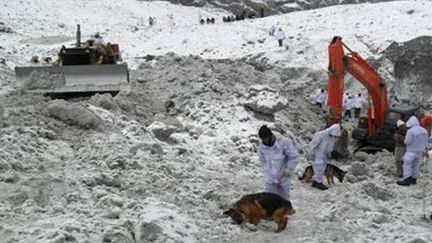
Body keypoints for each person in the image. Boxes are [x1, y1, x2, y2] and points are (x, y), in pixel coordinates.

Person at [257, 125, 299, 200]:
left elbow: (294, 156)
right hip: (270, 179)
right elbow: (263, 162)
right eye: (263, 140)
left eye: (266, 139)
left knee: (283, 201)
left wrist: (289, 169)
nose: (265, 142)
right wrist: (267, 173)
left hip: (284, 177)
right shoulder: (261, 148)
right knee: (269, 201)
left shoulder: (284, 142)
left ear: (270, 136)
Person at [397, 116, 428, 186]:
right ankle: (414, 179)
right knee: (416, 165)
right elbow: (426, 140)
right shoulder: (424, 130)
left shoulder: (411, 131)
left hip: (411, 151)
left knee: (407, 164)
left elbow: (407, 141)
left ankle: (407, 179)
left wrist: (403, 140)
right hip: (419, 151)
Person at [309, 123, 341, 190]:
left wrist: (330, 154)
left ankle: (315, 181)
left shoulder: (331, 137)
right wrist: (312, 154)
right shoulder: (320, 135)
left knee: (322, 169)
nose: (334, 137)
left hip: (325, 156)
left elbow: (330, 146)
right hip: (318, 154)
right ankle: (318, 183)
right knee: (319, 169)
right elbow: (313, 144)